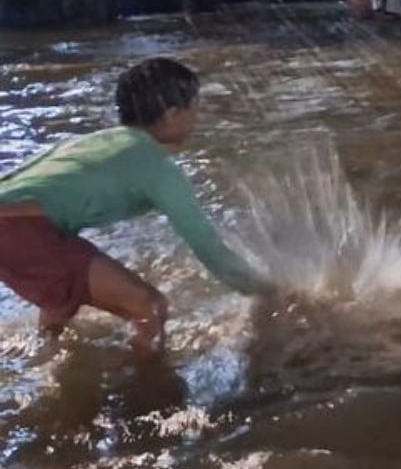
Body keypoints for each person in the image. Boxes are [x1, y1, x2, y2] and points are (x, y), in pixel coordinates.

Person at [0, 59, 270, 353]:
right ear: (173, 114)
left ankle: (42, 359)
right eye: (195, 107)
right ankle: (146, 378)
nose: (198, 117)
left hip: (16, 222)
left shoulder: (98, 141)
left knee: (62, 292)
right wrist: (268, 293)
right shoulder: (157, 167)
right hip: (19, 227)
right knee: (149, 307)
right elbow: (208, 247)